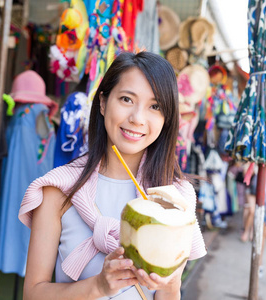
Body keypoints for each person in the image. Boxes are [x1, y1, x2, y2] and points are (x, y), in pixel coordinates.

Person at [18, 52, 207, 300]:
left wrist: (170, 285)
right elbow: (33, 294)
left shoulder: (175, 198)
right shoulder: (58, 188)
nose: (137, 118)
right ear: (103, 102)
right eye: (127, 99)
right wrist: (98, 286)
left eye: (155, 106)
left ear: (167, 118)